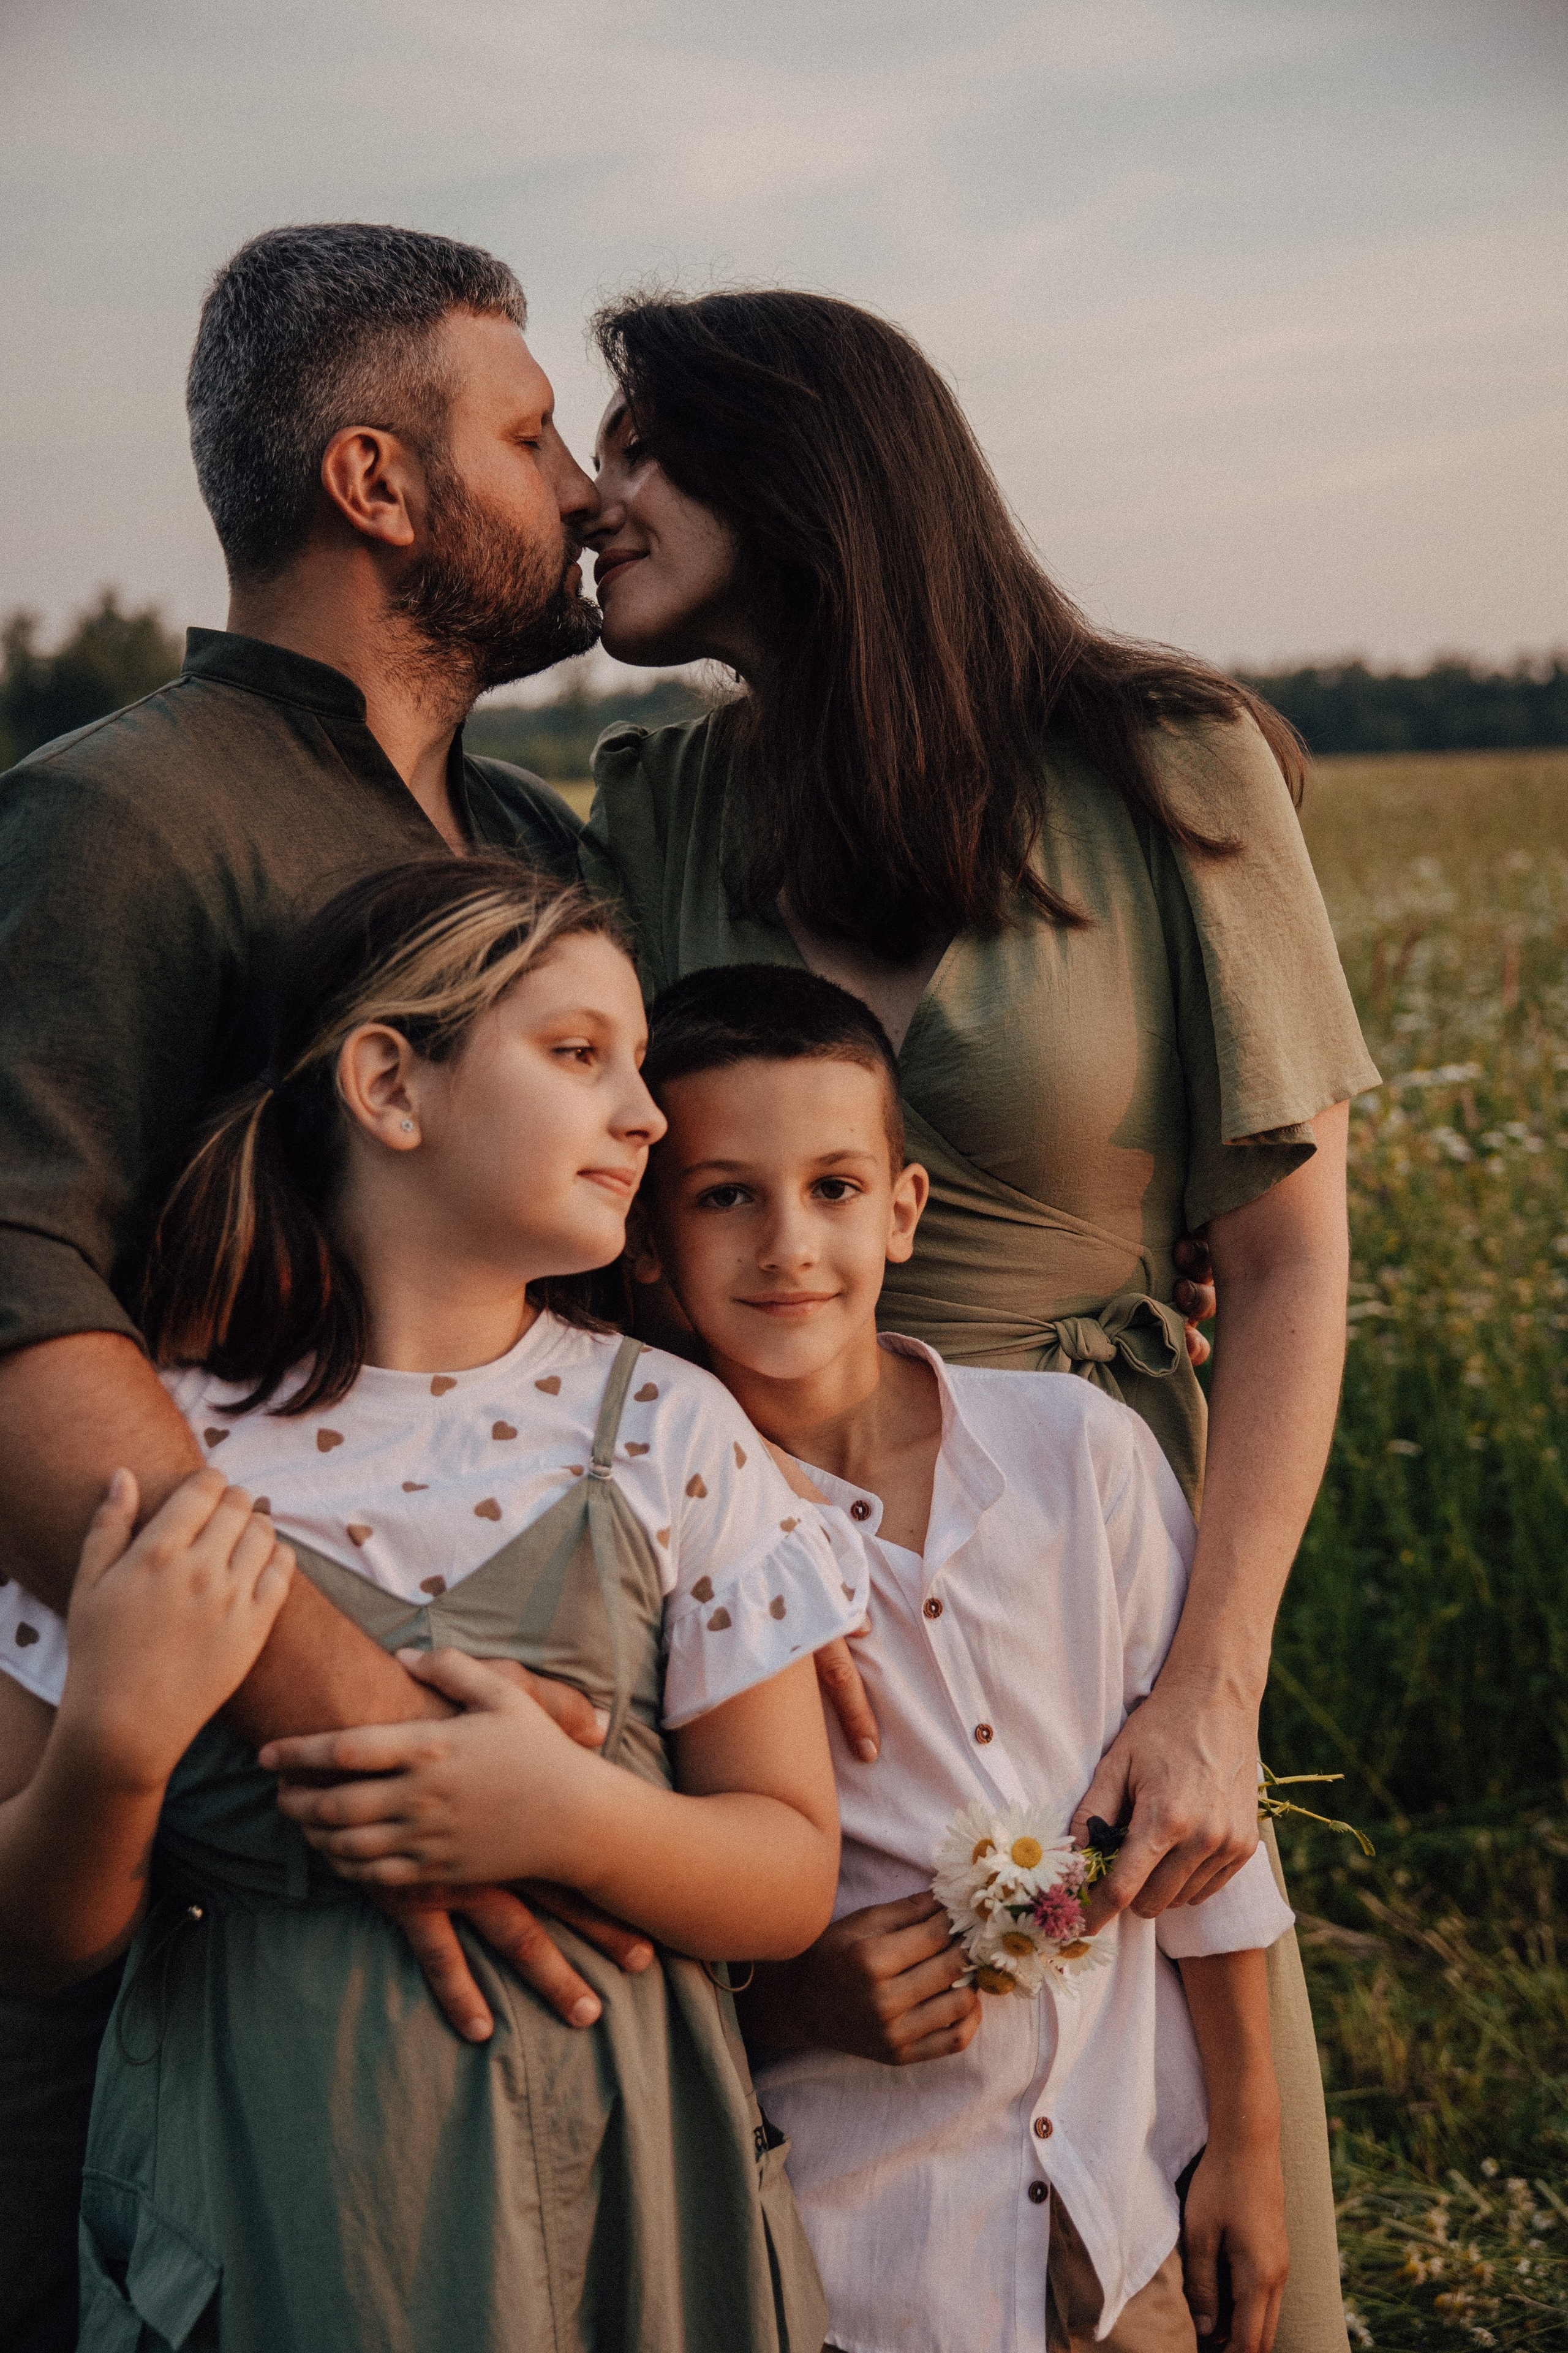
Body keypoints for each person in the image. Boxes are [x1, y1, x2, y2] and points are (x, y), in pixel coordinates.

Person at [578, 287, 1381, 2352]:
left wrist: (1213, 1680)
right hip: (759, 1587)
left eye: (649, 446)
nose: (601, 495)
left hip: (1098, 1553)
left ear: (805, 475)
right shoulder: (656, 807)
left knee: (1191, 2154)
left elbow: (1286, 1256)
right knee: (851, 2163)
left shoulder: (1161, 768)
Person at [0, 222, 627, 2347]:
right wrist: (386, 1759)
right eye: (532, 437)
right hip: (187, 1875)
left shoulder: (546, 842)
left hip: (560, 1856)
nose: (585, 493)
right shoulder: (114, 818)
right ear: (377, 483)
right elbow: (15, 1302)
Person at [0, 857, 863, 2353]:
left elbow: (787, 1876)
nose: (647, 1118)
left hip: (624, 2201)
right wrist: (118, 1750)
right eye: (580, 1054)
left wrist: (567, 1814)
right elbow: (33, 1938)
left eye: (639, 1067)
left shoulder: (667, 1428)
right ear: (390, 1085)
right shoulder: (158, 1448)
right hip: (280, 2210)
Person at [628, 962, 1295, 2353]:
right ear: (648, 1244)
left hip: (1118, 2228)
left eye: (831, 1187)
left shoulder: (1080, 1453)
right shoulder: (668, 1528)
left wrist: (1246, 2143)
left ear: (904, 1208)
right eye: (722, 1195)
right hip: (857, 2261)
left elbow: (1204, 1835)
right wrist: (789, 1994)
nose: (786, 1246)